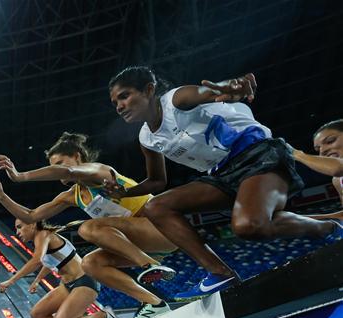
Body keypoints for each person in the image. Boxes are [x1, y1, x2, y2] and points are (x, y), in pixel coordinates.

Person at [107, 66, 342, 300]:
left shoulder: (176, 99)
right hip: (222, 174)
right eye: (115, 102)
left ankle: (328, 228)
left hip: (257, 154)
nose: (119, 106)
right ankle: (220, 273)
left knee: (248, 227)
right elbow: (157, 181)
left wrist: (230, 87)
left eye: (124, 96)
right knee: (156, 206)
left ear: (149, 90)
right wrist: (126, 192)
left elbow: (209, 91)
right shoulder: (146, 138)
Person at [0, 132, 175, 318]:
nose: (57, 169)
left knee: (88, 228)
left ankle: (148, 265)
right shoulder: (73, 195)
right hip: (140, 244)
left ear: (77, 157)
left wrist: (21, 176)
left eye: (60, 163)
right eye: (54, 165)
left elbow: (70, 172)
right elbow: (31, 216)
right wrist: (1, 197)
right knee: (90, 264)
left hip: (161, 229)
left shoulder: (99, 171)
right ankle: (154, 303)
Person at [0, 178, 113, 318]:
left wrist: (11, 281)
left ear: (32, 224)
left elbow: (36, 260)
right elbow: (51, 262)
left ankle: (104, 315)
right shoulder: (43, 240)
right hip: (68, 285)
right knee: (37, 313)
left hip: (84, 283)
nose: (17, 232)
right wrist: (38, 279)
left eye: (20, 227)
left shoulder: (44, 235)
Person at [291, 119, 343, 221]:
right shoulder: (337, 180)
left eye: (330, 141)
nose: (323, 151)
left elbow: (338, 168)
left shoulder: (338, 170)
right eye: (318, 149)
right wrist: (295, 218)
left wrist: (296, 154)